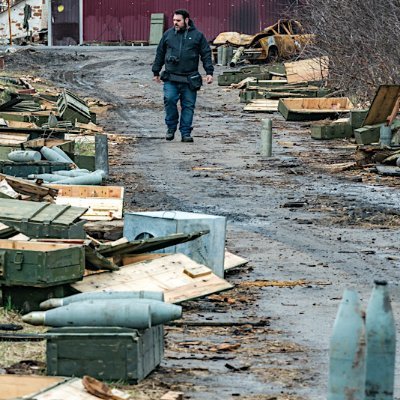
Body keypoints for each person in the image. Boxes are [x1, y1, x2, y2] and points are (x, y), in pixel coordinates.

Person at [152, 9, 214, 142]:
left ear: (186, 20)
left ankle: (185, 133)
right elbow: (160, 53)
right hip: (171, 77)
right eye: (174, 20)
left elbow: (206, 54)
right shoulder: (168, 35)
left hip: (190, 78)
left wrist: (209, 72)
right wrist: (156, 71)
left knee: (188, 106)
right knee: (169, 100)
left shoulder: (198, 36)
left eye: (178, 20)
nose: (175, 23)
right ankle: (171, 128)